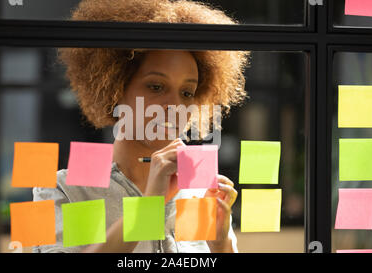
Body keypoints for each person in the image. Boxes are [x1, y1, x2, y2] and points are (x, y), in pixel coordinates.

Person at [33, 0, 249, 253]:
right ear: (115, 89)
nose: (175, 105)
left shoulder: (201, 195)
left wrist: (221, 246)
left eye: (187, 92)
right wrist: (150, 206)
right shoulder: (66, 189)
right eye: (156, 87)